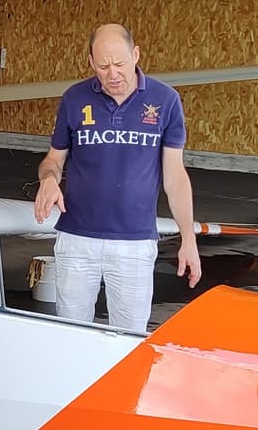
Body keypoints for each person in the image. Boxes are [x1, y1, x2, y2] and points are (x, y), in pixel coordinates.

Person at [31, 24, 200, 331]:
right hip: (77, 239)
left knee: (129, 336)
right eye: (103, 66)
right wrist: (49, 180)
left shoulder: (165, 100)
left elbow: (175, 176)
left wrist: (188, 238)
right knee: (69, 332)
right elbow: (53, 159)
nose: (113, 74)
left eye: (120, 64)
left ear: (136, 55)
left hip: (134, 243)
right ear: (90, 62)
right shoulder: (74, 98)